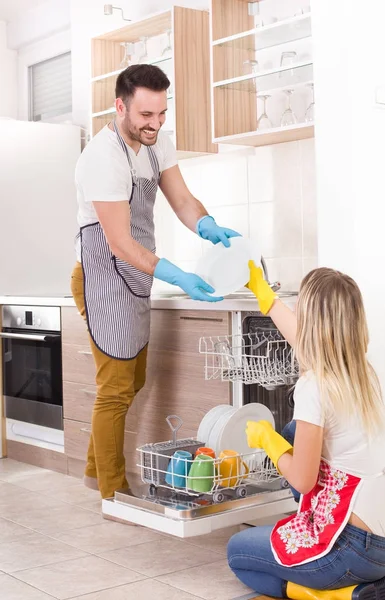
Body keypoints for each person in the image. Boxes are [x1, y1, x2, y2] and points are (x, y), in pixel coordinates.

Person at [71, 64, 239, 500]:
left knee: (134, 381)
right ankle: (111, 492)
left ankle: (94, 469)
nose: (155, 123)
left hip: (136, 271)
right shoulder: (101, 157)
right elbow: (121, 244)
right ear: (120, 105)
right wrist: (178, 275)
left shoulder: (157, 143)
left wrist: (205, 223)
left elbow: (180, 198)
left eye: (162, 113)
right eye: (146, 114)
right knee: (116, 387)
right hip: (102, 272)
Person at [227, 263, 385, 600]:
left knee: (239, 553)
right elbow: (305, 336)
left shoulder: (313, 387)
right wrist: (264, 296)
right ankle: (371, 586)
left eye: (300, 305)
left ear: (314, 322)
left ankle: (343, 594)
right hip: (381, 543)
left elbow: (302, 481)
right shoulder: (363, 371)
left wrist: (269, 441)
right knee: (293, 429)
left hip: (351, 547)